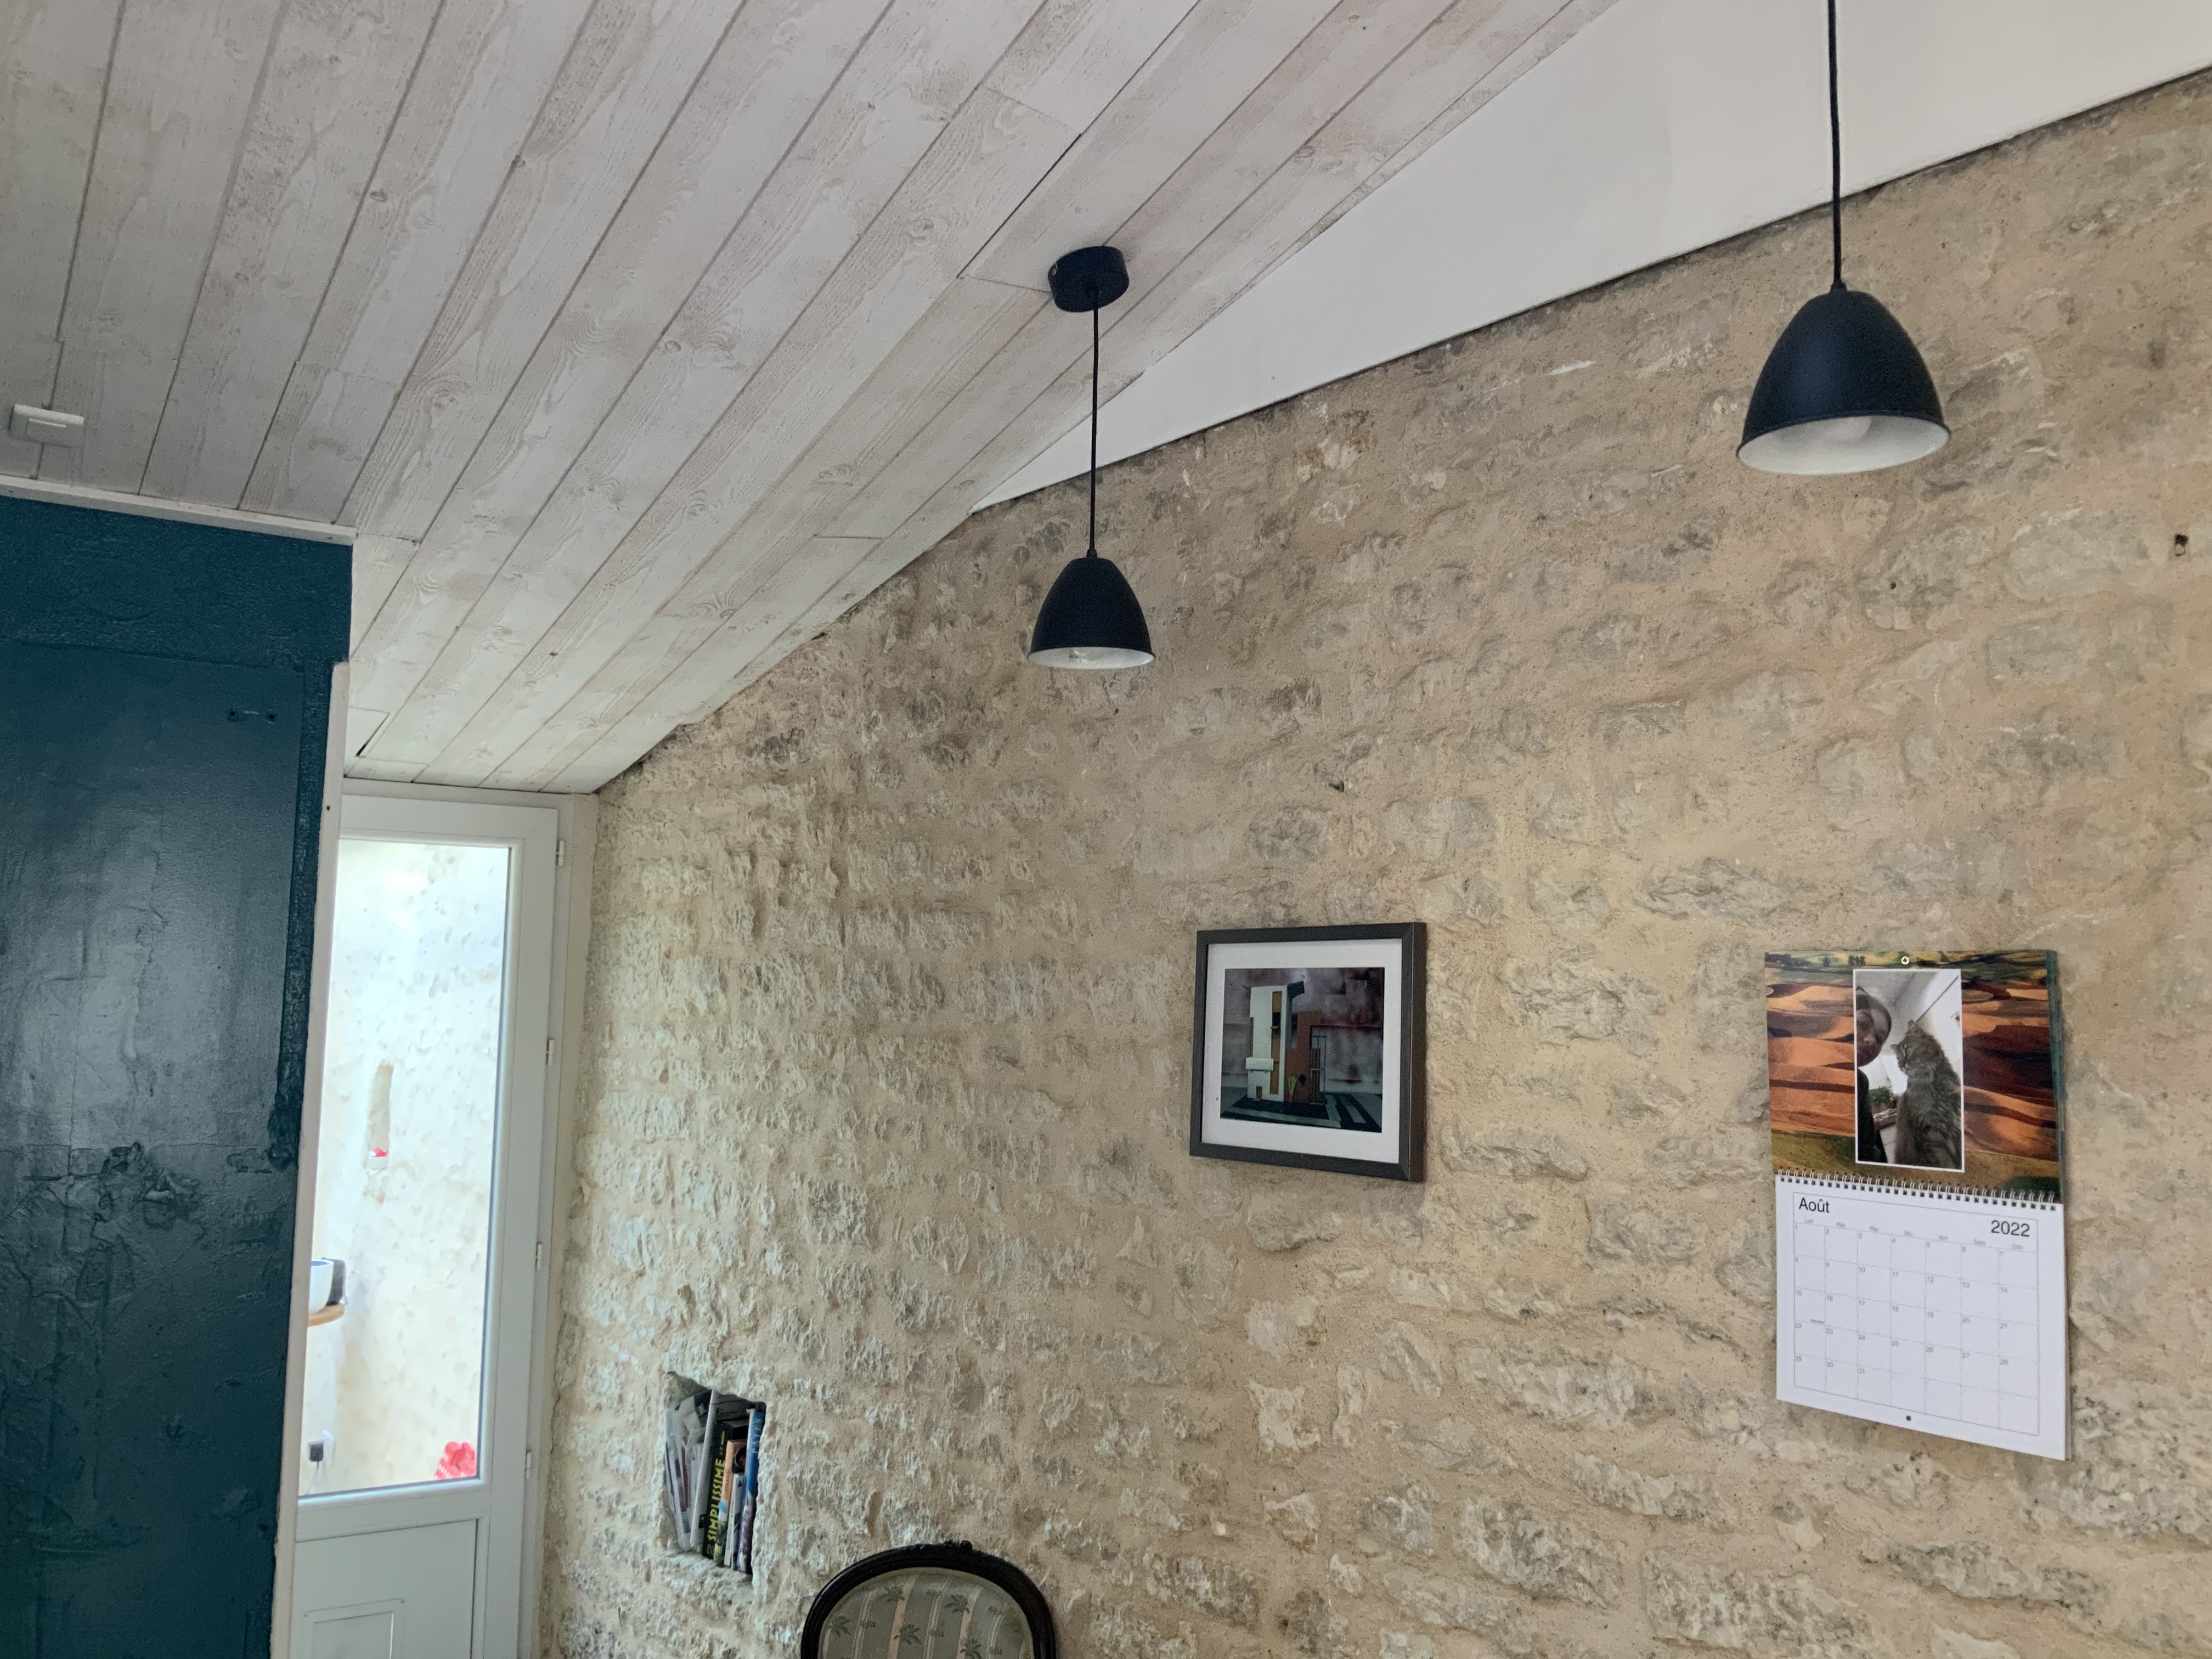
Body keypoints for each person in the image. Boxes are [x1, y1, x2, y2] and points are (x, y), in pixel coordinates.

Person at [1854, 992, 1892, 1163]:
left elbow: (1867, 1146)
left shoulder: (1860, 1081)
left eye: (1879, 1038)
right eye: (1862, 1024)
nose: (1871, 1039)